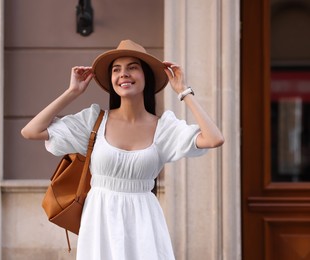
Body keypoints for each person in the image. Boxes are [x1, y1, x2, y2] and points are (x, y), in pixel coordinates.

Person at [21, 39, 224, 260]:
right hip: (100, 223)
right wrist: (73, 92)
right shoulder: (94, 122)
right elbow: (31, 131)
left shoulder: (164, 128)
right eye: (116, 69)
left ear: (146, 76)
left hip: (144, 224)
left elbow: (214, 138)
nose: (123, 74)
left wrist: (184, 91)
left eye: (132, 68)